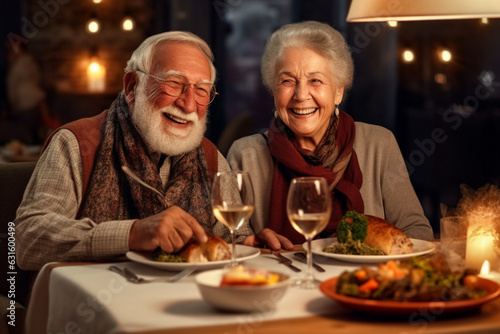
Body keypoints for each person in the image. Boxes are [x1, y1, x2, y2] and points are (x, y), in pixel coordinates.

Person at [15, 31, 253, 271]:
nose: (189, 104)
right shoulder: (75, 144)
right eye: (173, 83)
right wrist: (131, 234)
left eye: (202, 90)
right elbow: (27, 240)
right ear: (131, 86)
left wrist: (252, 243)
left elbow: (235, 237)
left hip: (190, 302)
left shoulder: (210, 156)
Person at [227, 21, 434, 250]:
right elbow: (234, 244)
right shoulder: (245, 155)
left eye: (315, 80)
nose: (301, 94)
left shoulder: (379, 144)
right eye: (287, 81)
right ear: (273, 90)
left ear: (338, 91)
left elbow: (418, 232)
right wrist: (253, 246)